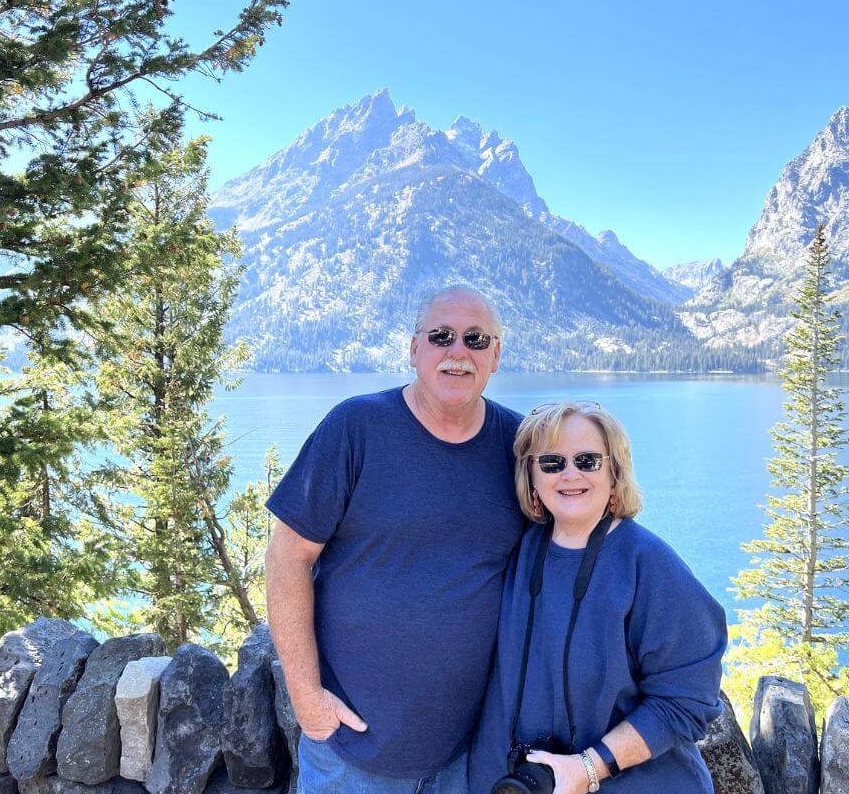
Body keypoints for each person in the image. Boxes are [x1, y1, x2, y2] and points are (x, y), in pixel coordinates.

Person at [264, 284, 527, 793]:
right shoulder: (356, 427)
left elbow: (575, 528)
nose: (458, 352)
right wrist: (307, 700)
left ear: (496, 356)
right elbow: (286, 559)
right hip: (351, 752)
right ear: (414, 349)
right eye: (441, 336)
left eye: (476, 339)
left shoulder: (520, 448)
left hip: (465, 755)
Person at [468, 401, 727, 794]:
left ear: (614, 471)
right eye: (552, 463)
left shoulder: (649, 566)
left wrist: (589, 768)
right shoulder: (517, 552)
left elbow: (687, 702)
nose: (570, 474)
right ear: (531, 477)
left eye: (587, 461)